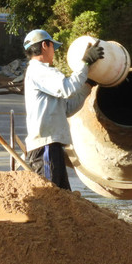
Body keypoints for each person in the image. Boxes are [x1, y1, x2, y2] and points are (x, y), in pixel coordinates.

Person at [23, 29, 103, 190]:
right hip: (44, 147)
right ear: (45, 45)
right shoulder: (40, 71)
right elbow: (67, 88)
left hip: (52, 146)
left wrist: (87, 86)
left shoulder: (42, 73)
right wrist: (85, 63)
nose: (54, 52)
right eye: (53, 47)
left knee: (63, 198)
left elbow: (66, 108)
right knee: (51, 197)